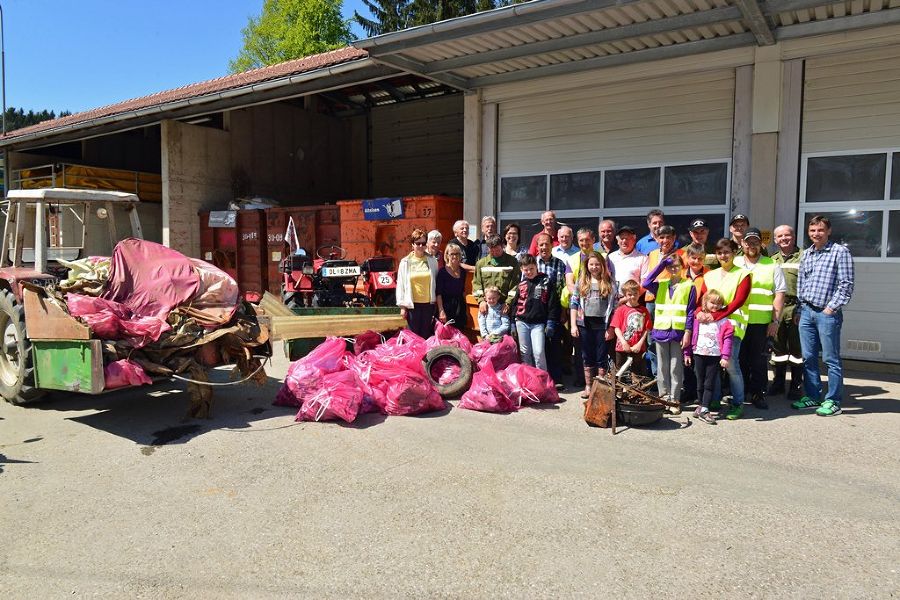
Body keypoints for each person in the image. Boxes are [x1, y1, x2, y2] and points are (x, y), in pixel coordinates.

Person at [795, 215, 854, 416]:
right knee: (808, 357)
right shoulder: (808, 254)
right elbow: (802, 283)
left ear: (828, 231)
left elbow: (846, 285)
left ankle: (834, 401)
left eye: (820, 230)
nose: (816, 234)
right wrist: (800, 308)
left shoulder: (840, 252)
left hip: (827, 314)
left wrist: (830, 309)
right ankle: (812, 396)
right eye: (812, 230)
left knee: (831, 359)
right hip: (806, 312)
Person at [695, 238, 751, 420]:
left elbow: (738, 301)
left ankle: (738, 403)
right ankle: (714, 400)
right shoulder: (710, 275)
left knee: (732, 366)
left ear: (735, 253)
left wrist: (715, 316)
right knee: (713, 365)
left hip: (732, 327)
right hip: (710, 329)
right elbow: (701, 301)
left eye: (727, 252)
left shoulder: (743, 274)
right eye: (719, 252)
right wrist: (698, 313)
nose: (723, 255)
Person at [735, 227, 786, 410]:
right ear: (742, 243)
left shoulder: (771, 264)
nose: (752, 245)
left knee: (758, 360)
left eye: (755, 242)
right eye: (748, 242)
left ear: (761, 244)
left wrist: (775, 321)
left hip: (761, 322)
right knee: (739, 359)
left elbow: (779, 294)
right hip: (738, 321)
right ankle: (740, 393)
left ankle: (758, 394)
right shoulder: (735, 262)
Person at [642, 254, 696, 414]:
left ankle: (674, 400)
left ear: (682, 267)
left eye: (676, 266)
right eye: (670, 266)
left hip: (678, 333)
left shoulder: (689, 286)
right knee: (662, 367)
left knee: (675, 367)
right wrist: (661, 264)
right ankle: (663, 398)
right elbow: (646, 282)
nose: (673, 269)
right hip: (661, 331)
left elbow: (690, 311)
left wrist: (688, 332)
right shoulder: (661, 285)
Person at [570, 252, 617, 398]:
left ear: (602, 265)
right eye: (591, 264)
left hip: (602, 325)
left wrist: (611, 328)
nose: (594, 267)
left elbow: (615, 307)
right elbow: (574, 303)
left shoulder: (609, 282)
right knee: (587, 355)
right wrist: (573, 325)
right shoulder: (582, 281)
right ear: (586, 265)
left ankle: (600, 387)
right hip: (585, 324)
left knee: (601, 356)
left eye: (597, 264)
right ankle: (588, 386)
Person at [684, 289, 734, 425]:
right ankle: (701, 404)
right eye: (712, 303)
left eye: (718, 304)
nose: (715, 306)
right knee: (699, 382)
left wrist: (725, 356)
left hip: (714, 356)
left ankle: (705, 408)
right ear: (705, 302)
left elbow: (728, 338)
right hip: (698, 354)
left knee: (709, 383)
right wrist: (687, 353)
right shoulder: (698, 318)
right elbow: (691, 335)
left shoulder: (723, 320)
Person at [769, 224, 804, 400]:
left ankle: (797, 384)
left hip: (796, 306)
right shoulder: (772, 259)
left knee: (797, 349)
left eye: (787, 235)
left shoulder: (804, 256)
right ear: (775, 240)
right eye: (780, 236)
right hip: (778, 308)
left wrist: (802, 308)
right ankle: (778, 382)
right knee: (778, 347)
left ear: (793, 236)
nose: (784, 238)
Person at [515, 253, 560, 374]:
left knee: (539, 352)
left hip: (538, 324)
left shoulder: (545, 281)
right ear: (522, 270)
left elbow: (552, 303)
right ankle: (529, 379)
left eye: (531, 268)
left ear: (536, 266)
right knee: (525, 353)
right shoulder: (521, 284)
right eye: (526, 270)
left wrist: (551, 322)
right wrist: (512, 323)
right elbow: (515, 303)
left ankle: (542, 379)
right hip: (522, 322)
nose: (529, 272)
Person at [535, 233, 570, 390]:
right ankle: (539, 378)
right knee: (538, 346)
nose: (544, 247)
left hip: (554, 309)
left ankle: (556, 378)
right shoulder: (533, 263)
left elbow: (564, 289)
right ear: (537, 247)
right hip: (536, 310)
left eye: (546, 244)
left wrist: (563, 311)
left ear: (552, 245)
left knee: (555, 344)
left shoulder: (560, 264)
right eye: (541, 244)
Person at [680, 243, 711, 404]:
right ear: (687, 258)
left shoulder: (709, 274)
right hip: (682, 317)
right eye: (693, 258)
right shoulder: (680, 273)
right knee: (685, 355)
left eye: (700, 259)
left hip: (701, 318)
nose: (696, 261)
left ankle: (702, 392)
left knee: (698, 355)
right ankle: (688, 389)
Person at [396, 228, 439, 339]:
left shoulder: (432, 261)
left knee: (425, 336)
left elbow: (436, 282)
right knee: (413, 337)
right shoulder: (405, 262)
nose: (421, 246)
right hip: (412, 305)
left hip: (428, 305)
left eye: (423, 243)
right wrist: (402, 306)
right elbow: (400, 284)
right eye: (418, 243)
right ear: (412, 245)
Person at [610, 279, 651, 379]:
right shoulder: (620, 310)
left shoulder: (644, 310)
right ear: (625, 295)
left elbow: (646, 329)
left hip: (638, 347)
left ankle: (635, 393)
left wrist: (640, 344)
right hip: (622, 347)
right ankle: (620, 392)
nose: (633, 296)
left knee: (637, 373)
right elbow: (616, 328)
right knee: (621, 372)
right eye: (629, 294)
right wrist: (624, 343)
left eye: (635, 293)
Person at [473, 234, 520, 317]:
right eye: (492, 250)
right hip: (487, 307)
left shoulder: (512, 262)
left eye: (497, 250)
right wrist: (481, 301)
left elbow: (515, 285)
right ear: (488, 248)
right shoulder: (481, 264)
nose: (495, 253)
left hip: (505, 307)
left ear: (502, 246)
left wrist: (508, 303)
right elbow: (477, 285)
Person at [608, 225, 648, 295]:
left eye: (628, 238)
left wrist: (628, 298)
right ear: (617, 241)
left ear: (634, 240)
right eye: (622, 238)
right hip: (613, 300)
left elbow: (644, 284)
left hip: (633, 300)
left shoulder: (643, 258)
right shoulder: (610, 257)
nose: (624, 241)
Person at [436, 244, 467, 329]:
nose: (454, 256)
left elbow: (463, 290)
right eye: (452, 254)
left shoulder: (463, 272)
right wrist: (441, 311)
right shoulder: (442, 272)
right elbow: (438, 294)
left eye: (457, 254)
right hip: (446, 307)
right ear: (447, 255)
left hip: (460, 308)